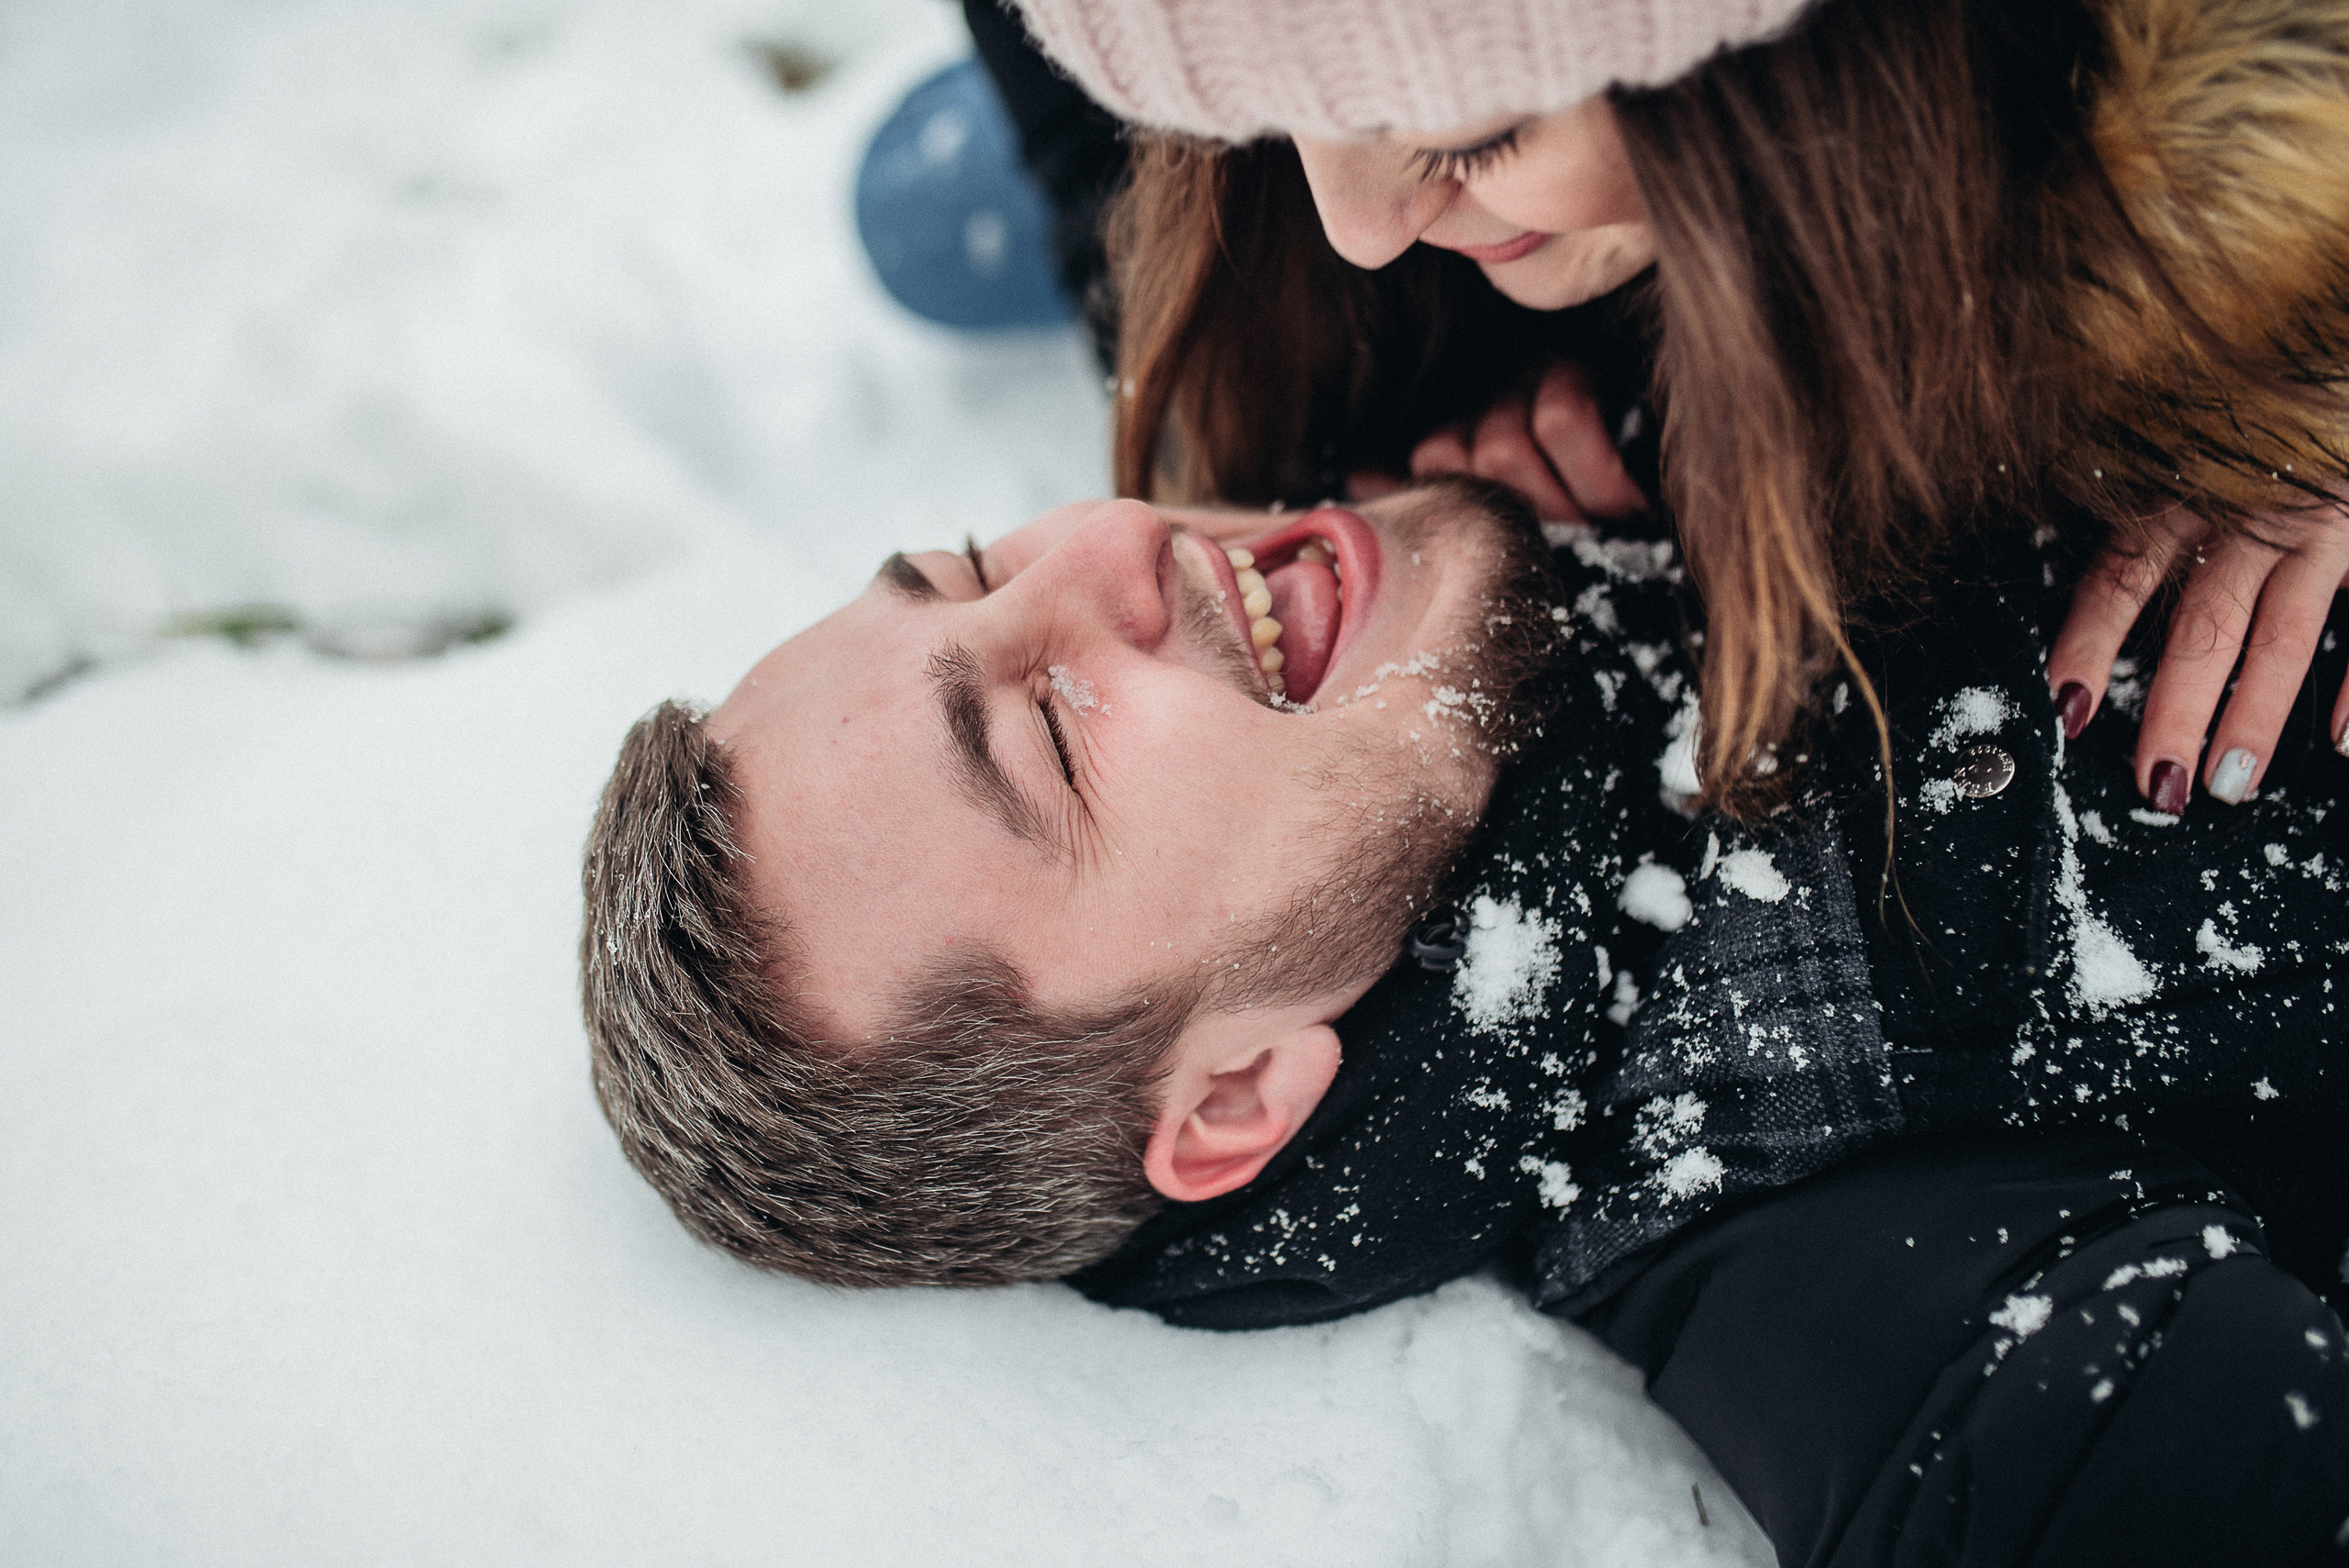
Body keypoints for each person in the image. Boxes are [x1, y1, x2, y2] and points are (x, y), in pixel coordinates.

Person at [580, 480, 2349, 1563]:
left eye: (974, 564)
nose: (1118, 545)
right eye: (1051, 732)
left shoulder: (1476, 344)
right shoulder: (1835, 1247)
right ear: (1235, 1101)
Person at [1003, 0, 2349, 824]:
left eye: (1466, 136)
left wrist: (2302, 365)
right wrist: (1129, 232)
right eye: (1251, 115)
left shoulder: (2226, 195)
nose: (1354, 233)